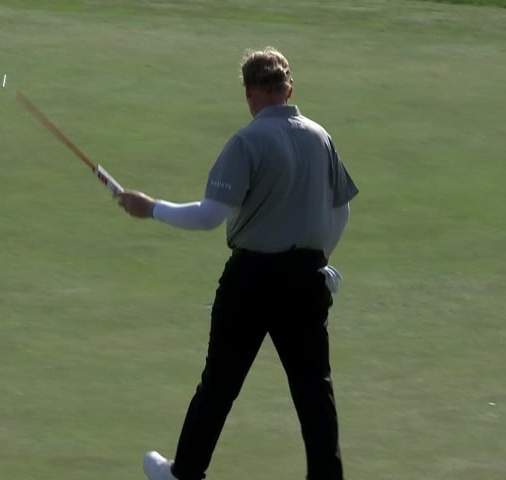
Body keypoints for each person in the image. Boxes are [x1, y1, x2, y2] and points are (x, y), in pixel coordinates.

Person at [115, 46, 358, 480]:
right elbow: (341, 212)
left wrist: (151, 207)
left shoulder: (247, 141)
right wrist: (321, 260)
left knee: (220, 385)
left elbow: (209, 216)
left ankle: (184, 473)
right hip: (307, 280)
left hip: (252, 281)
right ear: (289, 89)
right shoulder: (321, 137)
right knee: (314, 393)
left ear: (249, 93)